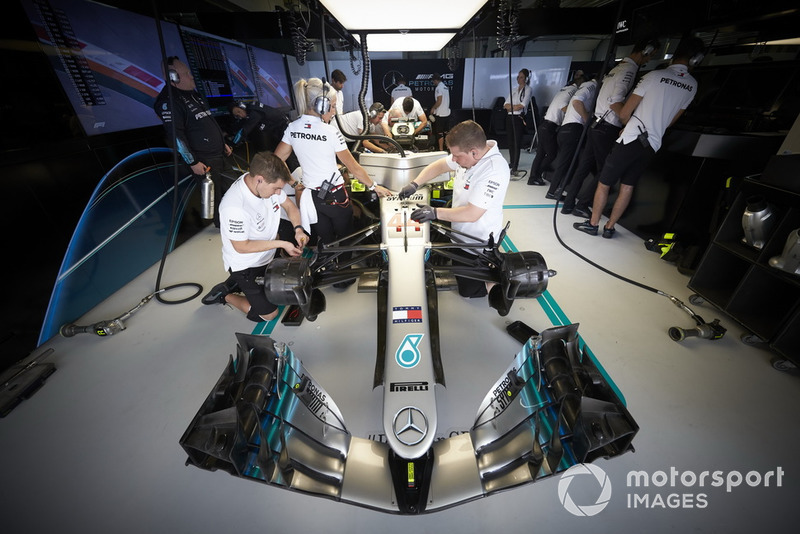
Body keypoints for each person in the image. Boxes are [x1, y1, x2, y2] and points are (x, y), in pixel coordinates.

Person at [574, 37, 705, 239]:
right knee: (628, 186)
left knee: (604, 182)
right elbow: (670, 122)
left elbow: (625, 114)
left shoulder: (654, 76)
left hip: (631, 138)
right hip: (652, 144)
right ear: (696, 59)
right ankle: (609, 227)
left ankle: (593, 224)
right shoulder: (692, 85)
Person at [273, 78, 391, 270]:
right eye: (333, 106)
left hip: (312, 198)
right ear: (322, 105)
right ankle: (343, 276)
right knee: (345, 236)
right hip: (336, 196)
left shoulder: (292, 128)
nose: (335, 111)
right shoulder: (330, 132)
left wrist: (294, 184)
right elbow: (353, 167)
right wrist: (374, 187)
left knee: (325, 238)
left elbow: (275, 161)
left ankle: (327, 269)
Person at [397, 120, 510, 298]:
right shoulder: (471, 153)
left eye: (457, 156)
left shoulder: (494, 170)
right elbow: (440, 165)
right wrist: (415, 183)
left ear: (474, 152)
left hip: (476, 241)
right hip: (458, 229)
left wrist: (434, 212)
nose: (454, 160)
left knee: (468, 291)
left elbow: (472, 214)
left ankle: (498, 276)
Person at [202, 151, 307, 322]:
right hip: (246, 265)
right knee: (268, 314)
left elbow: (289, 207)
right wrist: (281, 244)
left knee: (288, 291)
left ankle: (239, 284)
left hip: (267, 256)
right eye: (276, 188)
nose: (279, 192)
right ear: (259, 179)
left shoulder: (265, 182)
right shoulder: (234, 207)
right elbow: (241, 247)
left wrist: (299, 229)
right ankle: (225, 294)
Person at [562, 39, 659, 217]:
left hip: (595, 124)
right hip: (607, 127)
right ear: (644, 51)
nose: (648, 61)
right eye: (650, 56)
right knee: (605, 172)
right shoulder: (629, 70)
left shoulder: (615, 69)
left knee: (584, 167)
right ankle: (581, 205)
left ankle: (568, 204)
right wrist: (626, 122)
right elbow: (615, 101)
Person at [154, 56, 232, 227]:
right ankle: (225, 229)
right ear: (173, 77)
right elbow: (176, 136)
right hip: (204, 160)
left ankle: (235, 220)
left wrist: (222, 142)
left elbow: (207, 120)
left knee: (231, 189)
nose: (191, 76)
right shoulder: (169, 101)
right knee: (215, 196)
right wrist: (193, 162)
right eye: (186, 73)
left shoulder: (193, 95)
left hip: (218, 154)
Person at [544, 75, 598, 199]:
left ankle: (558, 189)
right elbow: (577, 102)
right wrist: (588, 121)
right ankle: (552, 192)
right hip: (573, 129)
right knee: (567, 164)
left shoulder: (578, 89)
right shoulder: (591, 86)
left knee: (569, 163)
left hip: (564, 129)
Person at [527, 72, 584, 186]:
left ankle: (533, 178)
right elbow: (563, 105)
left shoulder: (563, 90)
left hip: (544, 124)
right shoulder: (572, 91)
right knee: (552, 154)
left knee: (540, 154)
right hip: (550, 126)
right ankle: (537, 174)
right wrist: (571, 113)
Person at [503, 69, 533, 176]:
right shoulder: (514, 89)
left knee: (516, 142)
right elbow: (505, 104)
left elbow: (523, 105)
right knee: (510, 142)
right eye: (518, 77)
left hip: (518, 119)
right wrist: (513, 108)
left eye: (521, 77)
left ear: (526, 78)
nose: (519, 79)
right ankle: (511, 162)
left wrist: (512, 108)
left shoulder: (528, 89)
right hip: (509, 118)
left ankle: (515, 165)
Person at [430, 73, 451, 151]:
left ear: (435, 80)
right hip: (447, 113)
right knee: (446, 132)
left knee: (439, 133)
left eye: (433, 81)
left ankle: (441, 150)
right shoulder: (445, 87)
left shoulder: (439, 88)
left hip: (440, 114)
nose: (433, 83)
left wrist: (433, 108)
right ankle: (448, 148)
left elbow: (439, 101)